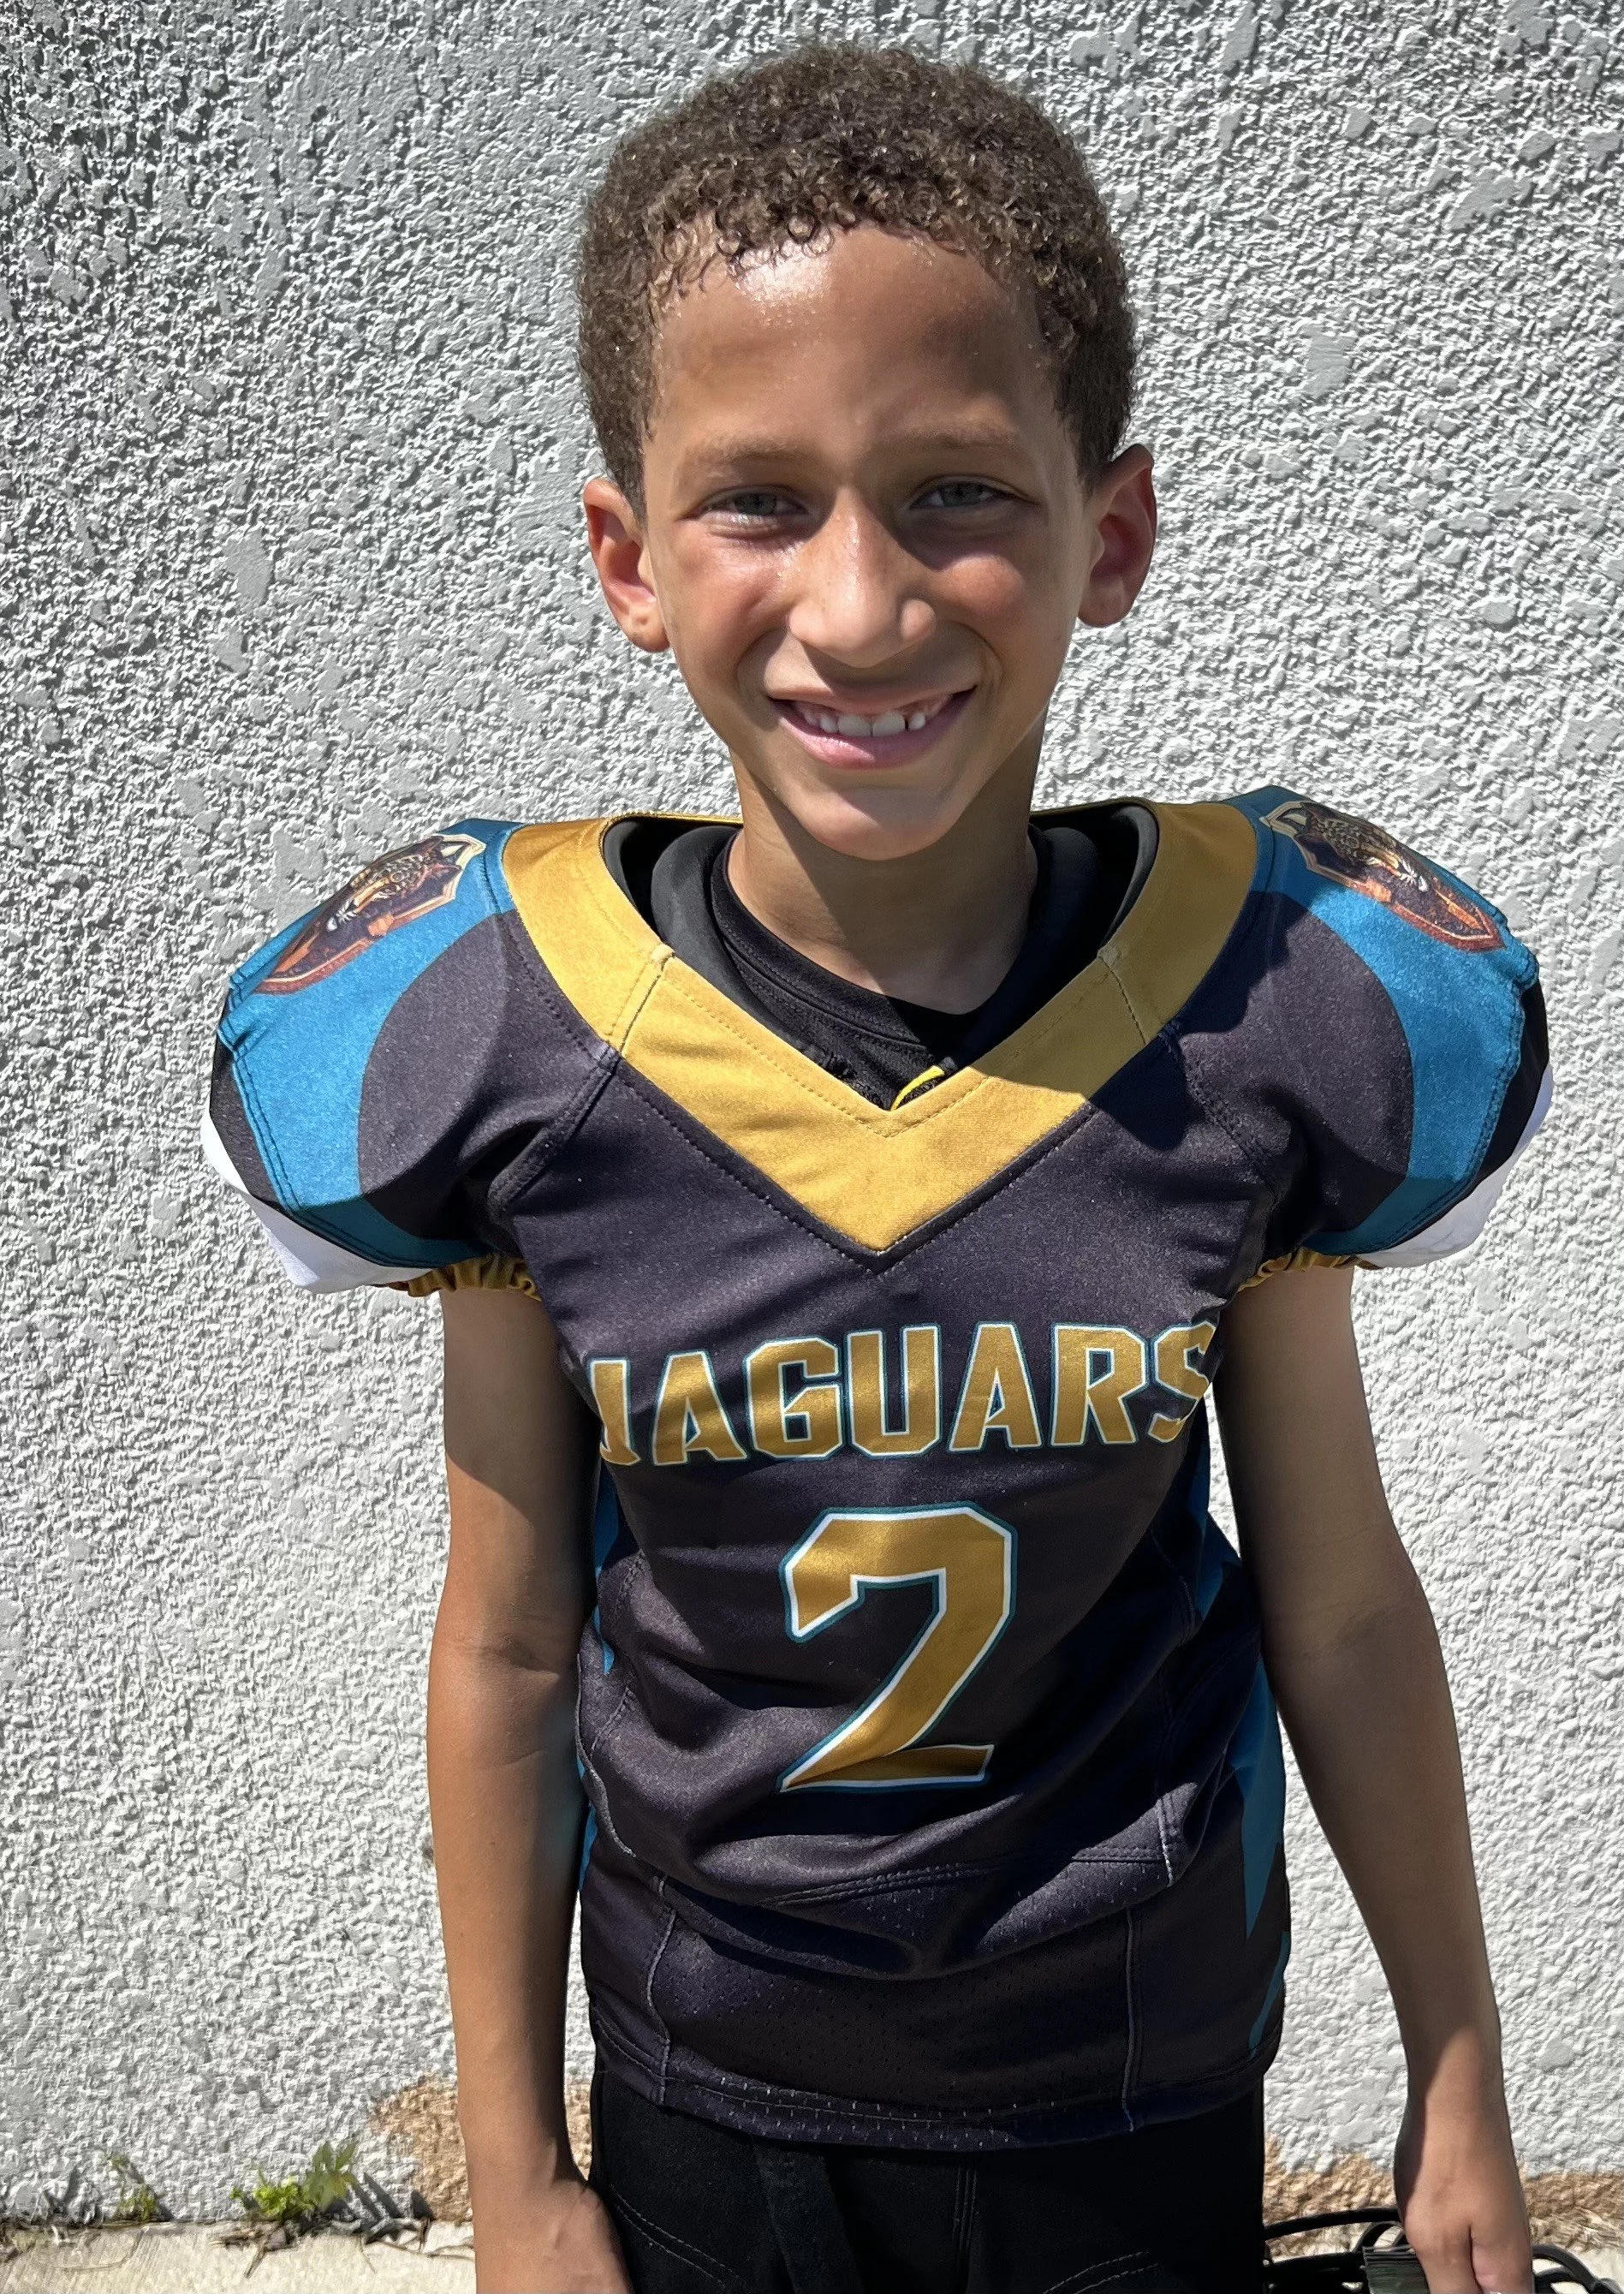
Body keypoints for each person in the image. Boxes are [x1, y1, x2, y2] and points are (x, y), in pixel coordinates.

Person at [204, 45, 1552, 2294]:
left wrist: (1458, 2072)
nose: (859, 601)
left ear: (1107, 532)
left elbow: (1337, 1599)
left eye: (954, 492)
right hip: (711, 2082)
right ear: (627, 557)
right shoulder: (517, 1036)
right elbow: (514, 1647)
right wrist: (524, 2180)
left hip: (1127, 2069)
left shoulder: (1260, 1007)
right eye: (760, 499)